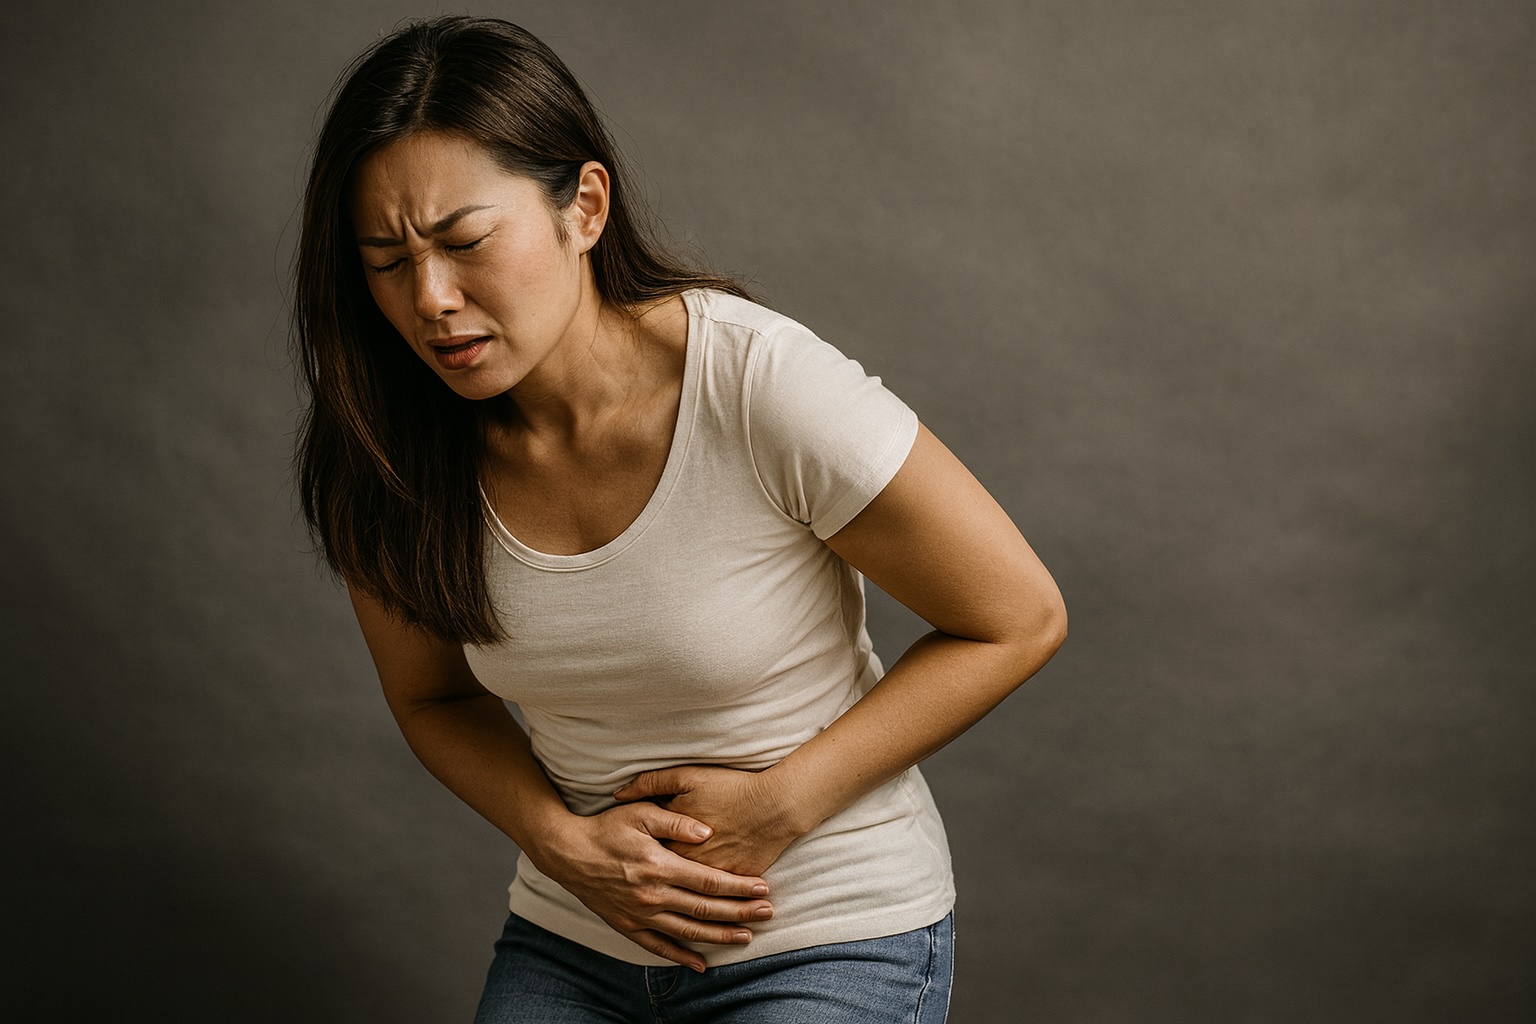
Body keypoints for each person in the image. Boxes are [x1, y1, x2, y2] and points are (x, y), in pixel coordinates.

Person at [293, 14, 1065, 1023]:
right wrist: (564, 844)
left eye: (465, 241)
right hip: (574, 936)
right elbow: (433, 700)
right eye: (386, 261)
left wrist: (776, 809)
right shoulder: (385, 446)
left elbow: (1019, 616)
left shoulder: (757, 387)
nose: (430, 297)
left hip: (825, 934)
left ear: (585, 207)